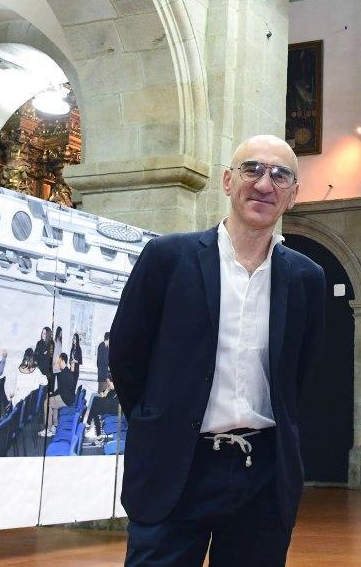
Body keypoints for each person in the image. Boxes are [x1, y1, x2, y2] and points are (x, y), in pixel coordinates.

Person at [109, 134, 325, 566]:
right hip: (177, 468)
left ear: (294, 196)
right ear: (228, 181)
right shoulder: (168, 258)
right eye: (253, 169)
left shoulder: (307, 278)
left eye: (280, 175)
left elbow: (297, 377)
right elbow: (126, 357)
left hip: (262, 476)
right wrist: (162, 421)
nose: (265, 184)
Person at [43, 352, 77, 437]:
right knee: (53, 402)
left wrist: (51, 395)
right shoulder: (68, 372)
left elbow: (59, 390)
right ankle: (54, 425)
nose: (57, 363)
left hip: (65, 398)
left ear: (62, 360)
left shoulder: (63, 374)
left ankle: (48, 429)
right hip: (69, 398)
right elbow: (61, 390)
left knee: (46, 402)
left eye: (59, 361)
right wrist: (53, 395)